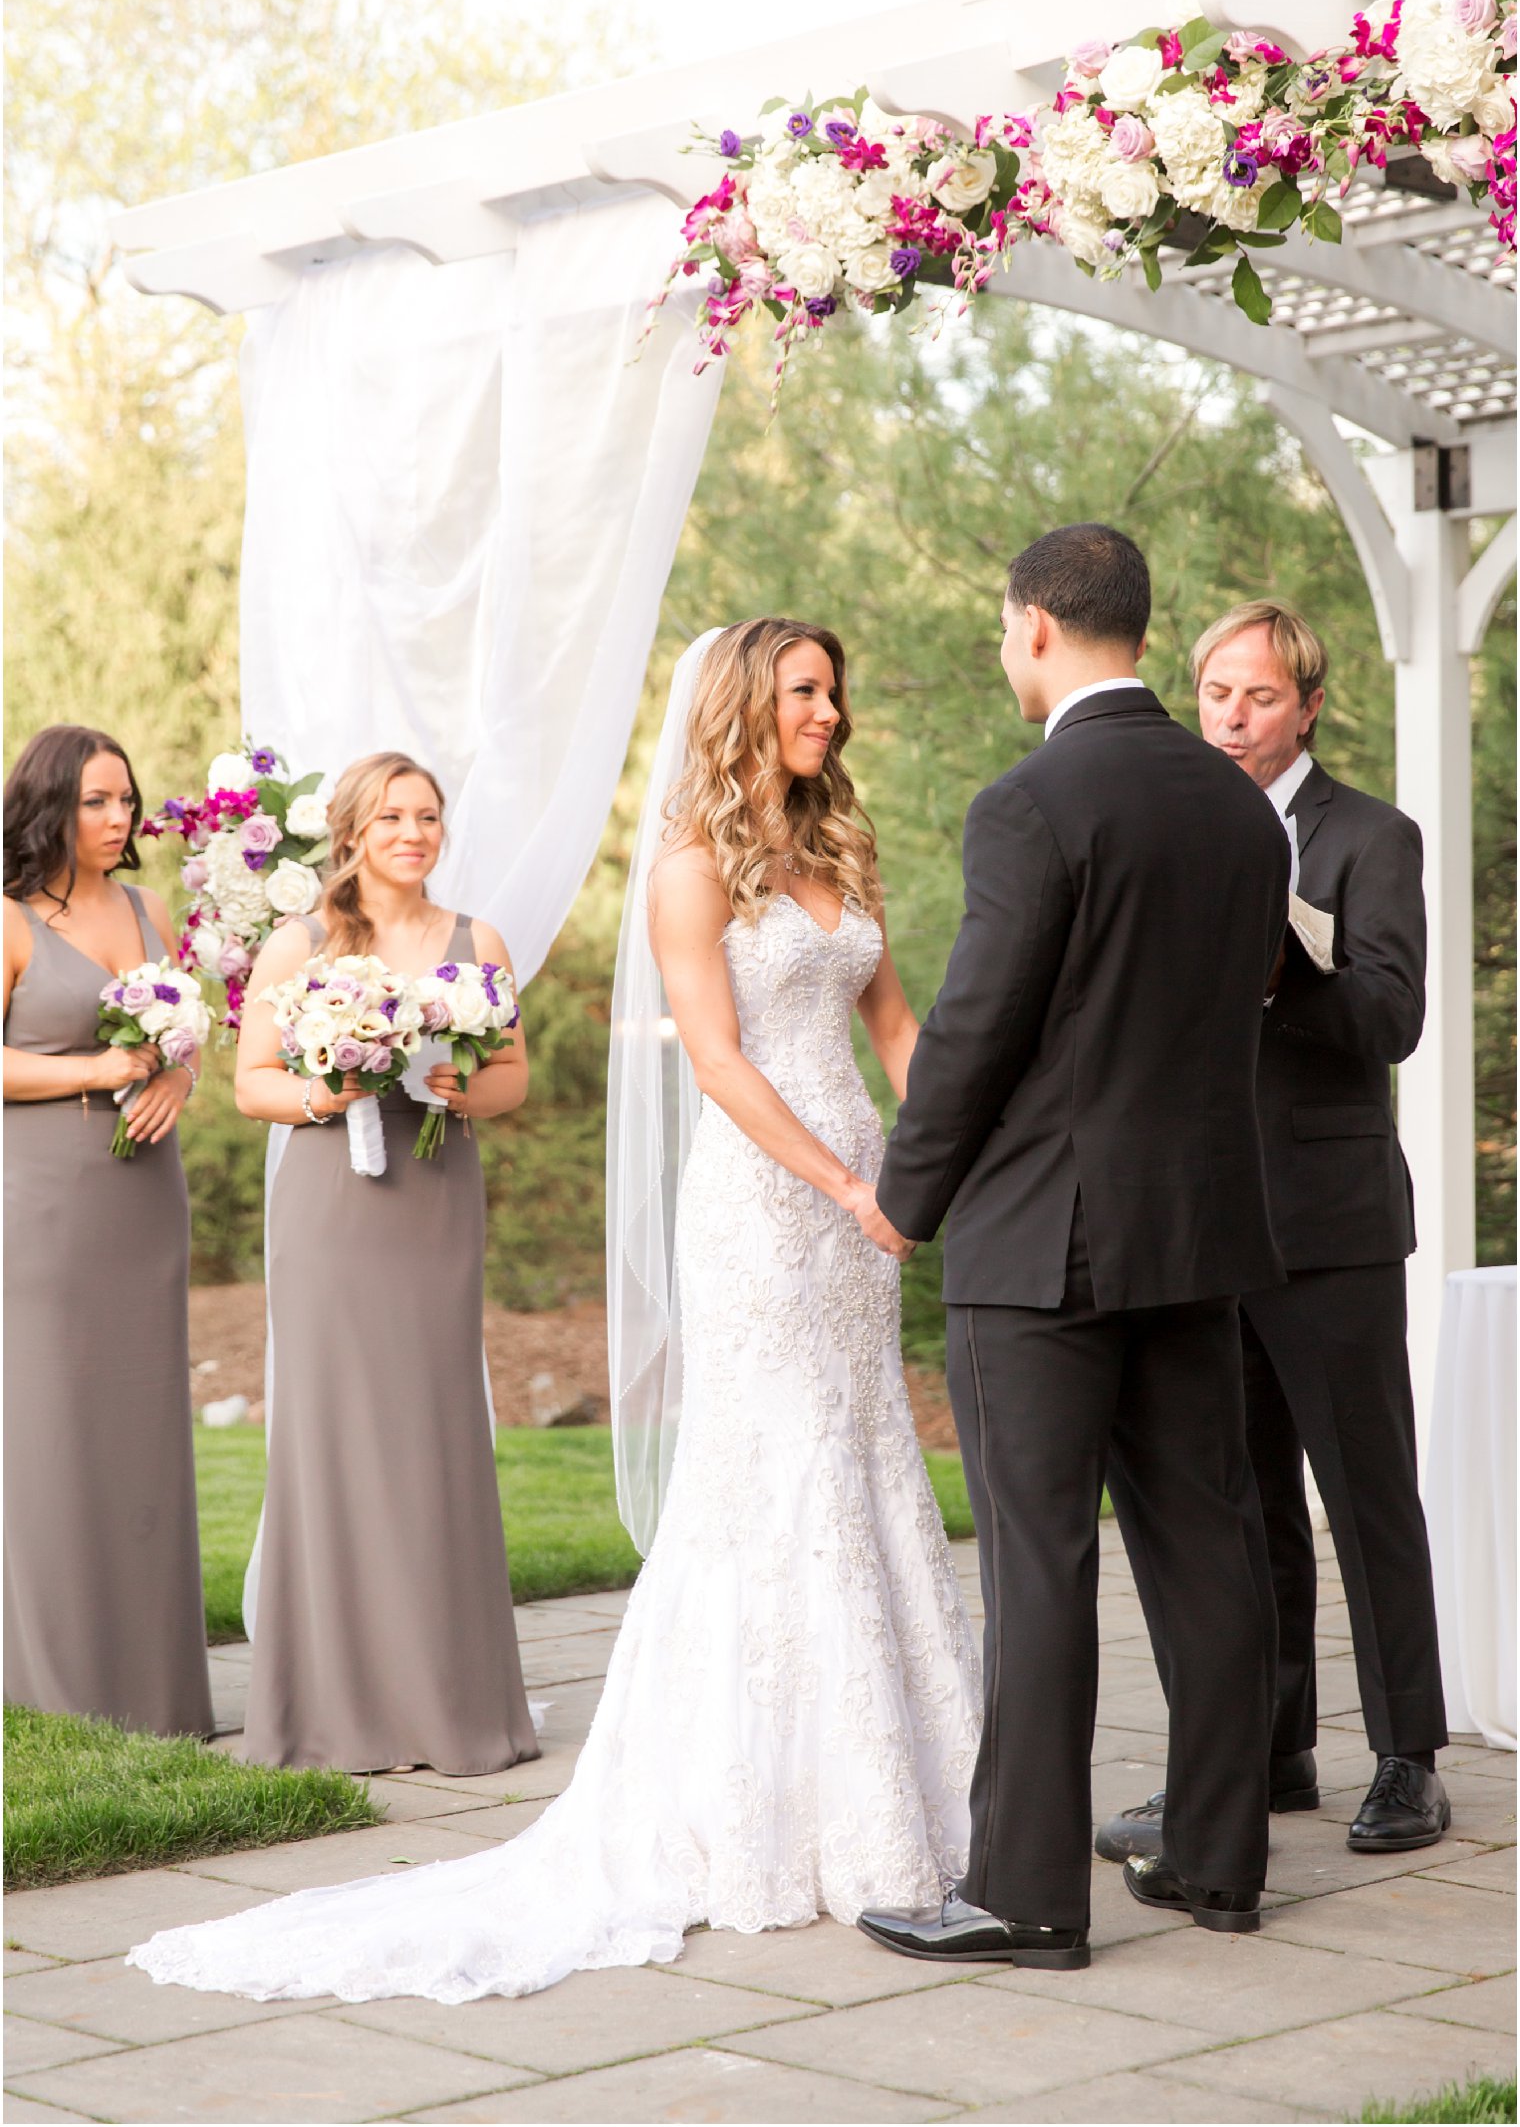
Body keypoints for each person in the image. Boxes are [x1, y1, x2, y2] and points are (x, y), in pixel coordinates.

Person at [128, 622, 979, 2006]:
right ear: (744, 709)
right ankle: (747, 1799)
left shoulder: (840, 851)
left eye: (835, 686)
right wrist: (838, 1180)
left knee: (865, 1453)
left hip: (864, 1196)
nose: (833, 708)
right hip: (769, 1201)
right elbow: (712, 1055)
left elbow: (894, 1025)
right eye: (806, 690)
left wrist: (943, 1143)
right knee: (771, 1469)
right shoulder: (693, 870)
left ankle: (900, 1778)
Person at [856, 524, 1288, 1971]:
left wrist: (904, 1195)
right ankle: (1223, 1863)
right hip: (1198, 1235)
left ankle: (1028, 1895)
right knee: (1208, 1547)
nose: (1000, 653)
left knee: (1039, 1569)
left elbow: (977, 1032)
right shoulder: (1243, 814)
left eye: (999, 630)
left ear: (1036, 624)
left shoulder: (1032, 803)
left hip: (1041, 1243)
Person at [1096, 602, 1448, 1866]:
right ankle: (1266, 1749)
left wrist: (1283, 967)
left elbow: (1389, 1018)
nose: (1230, 718)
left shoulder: (1370, 837)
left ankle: (1408, 1757)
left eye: (1254, 698)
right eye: (1212, 695)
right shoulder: (1182, 830)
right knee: (1236, 1507)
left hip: (1331, 1221)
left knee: (1364, 1494)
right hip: (1208, 1219)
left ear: (1306, 703)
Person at [229, 750, 540, 1778]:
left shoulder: (472, 941)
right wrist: (329, 1087)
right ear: (353, 832)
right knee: (332, 1438)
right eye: (393, 817)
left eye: (428, 817)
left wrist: (457, 1085)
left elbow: (512, 1079)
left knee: (433, 1432)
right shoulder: (300, 942)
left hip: (435, 1188)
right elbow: (251, 1085)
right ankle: (332, 1708)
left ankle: (444, 1701)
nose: (414, 833)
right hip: (333, 1200)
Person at [3, 724, 213, 1739]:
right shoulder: (6, 920)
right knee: (49, 1428)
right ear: (50, 805)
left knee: (139, 1433)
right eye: (97, 800)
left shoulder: (146, 906)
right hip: (40, 1199)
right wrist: (98, 1073)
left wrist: (174, 1070)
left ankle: (157, 1694)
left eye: (126, 799)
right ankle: (50, 1691)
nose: (120, 818)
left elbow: (181, 1032)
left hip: (143, 1198)